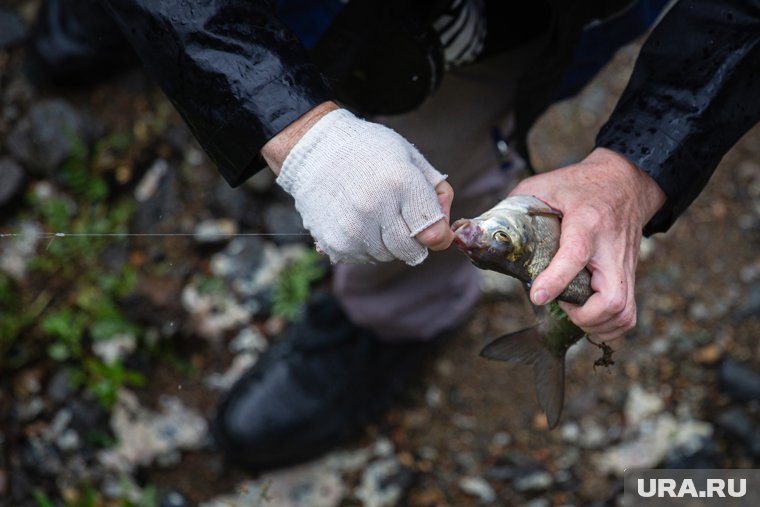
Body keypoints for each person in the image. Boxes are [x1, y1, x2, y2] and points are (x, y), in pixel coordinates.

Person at [27, 0, 760, 470]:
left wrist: (637, 165)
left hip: (497, 27)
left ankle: (391, 320)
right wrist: (293, 124)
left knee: (446, 156)